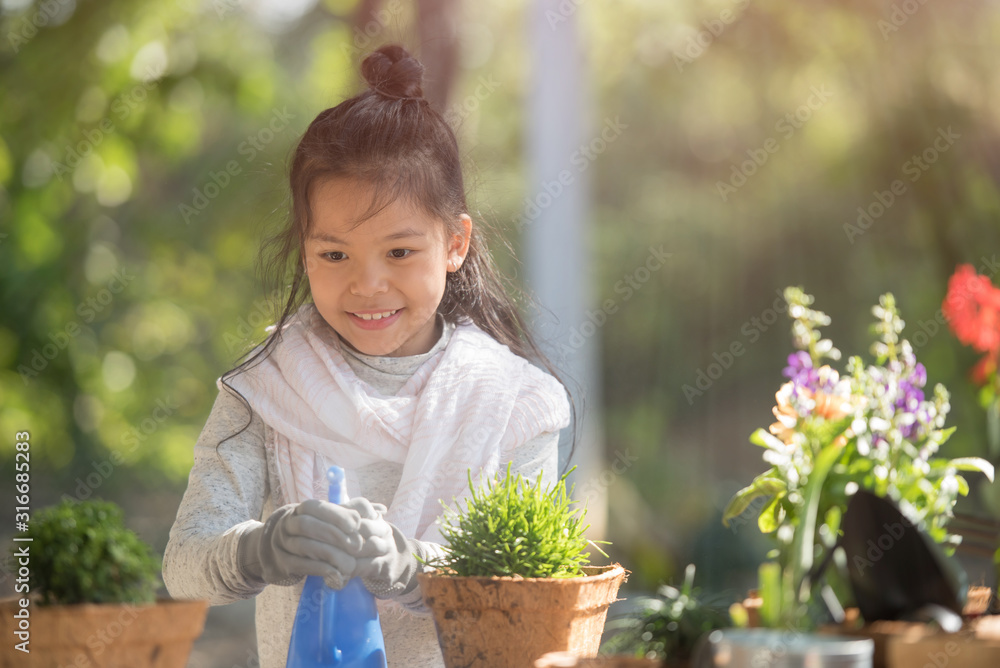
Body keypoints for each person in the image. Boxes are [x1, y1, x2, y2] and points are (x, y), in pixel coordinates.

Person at [162, 44, 572, 668]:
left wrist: (409, 568)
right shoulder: (266, 389)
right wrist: (262, 549)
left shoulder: (515, 402)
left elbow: (531, 592)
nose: (368, 285)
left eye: (400, 253)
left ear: (455, 242)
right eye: (334, 255)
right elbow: (185, 563)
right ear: (305, 250)